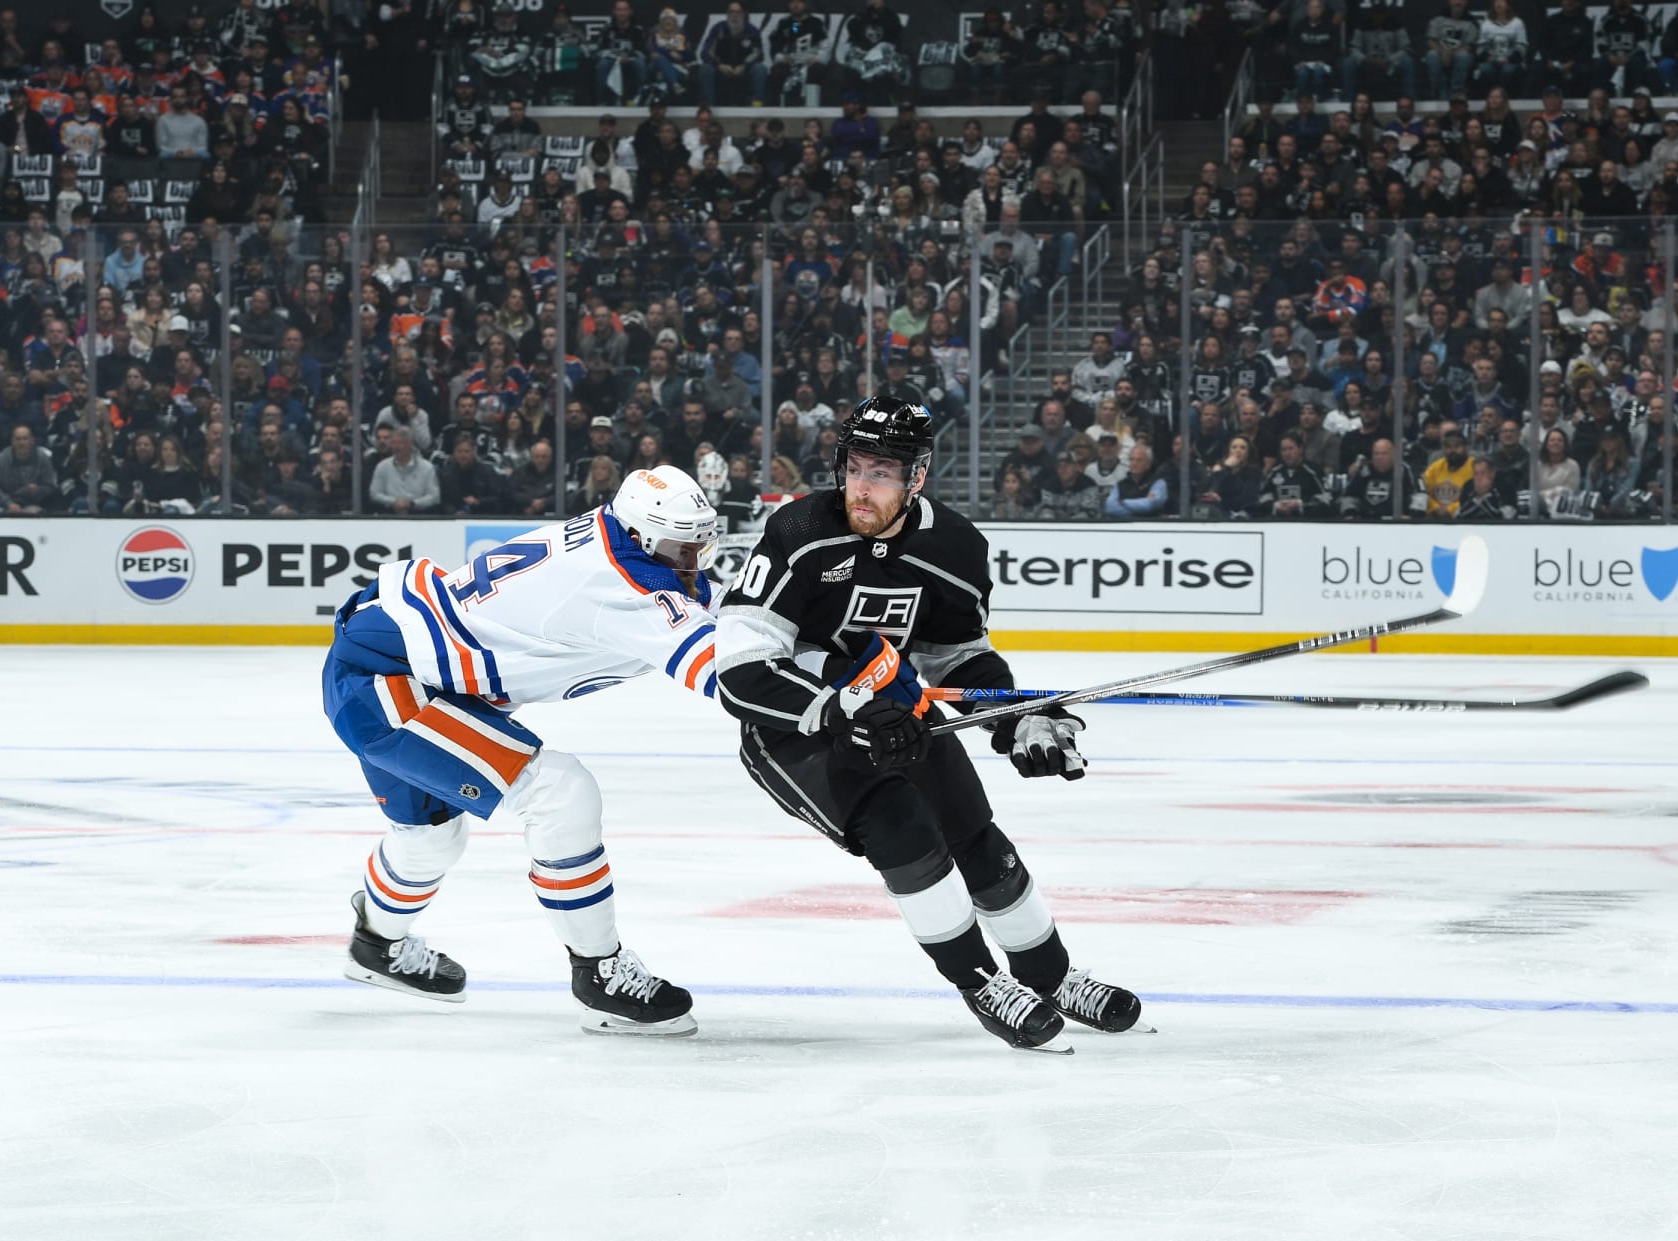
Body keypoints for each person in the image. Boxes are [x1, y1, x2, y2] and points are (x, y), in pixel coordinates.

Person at [714, 396, 1143, 1054]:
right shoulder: (797, 533)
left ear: (916, 478)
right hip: (795, 731)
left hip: (895, 714)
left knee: (976, 834)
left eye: (882, 472)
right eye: (855, 467)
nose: (862, 486)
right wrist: (838, 708)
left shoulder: (956, 547)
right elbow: (741, 668)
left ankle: (1051, 978)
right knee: (903, 828)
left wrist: (1014, 721)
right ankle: (983, 983)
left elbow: (958, 656)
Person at [323, 465, 724, 1034]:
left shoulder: (620, 539)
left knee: (432, 840)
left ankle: (375, 945)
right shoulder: (623, 583)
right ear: (641, 538)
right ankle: (599, 971)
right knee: (559, 793)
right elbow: (730, 673)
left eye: (701, 544)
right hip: (387, 684)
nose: (695, 561)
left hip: (390, 658)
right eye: (683, 547)